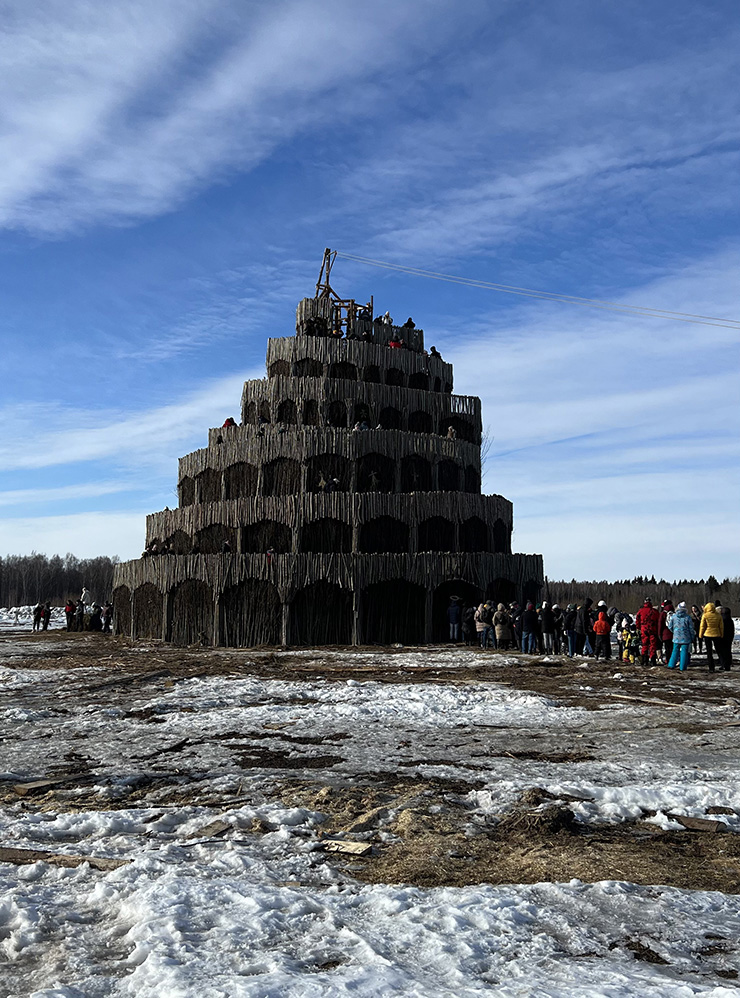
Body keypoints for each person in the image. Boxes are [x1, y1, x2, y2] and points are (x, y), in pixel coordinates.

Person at [667, 602, 694, 672]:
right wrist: (692, 636)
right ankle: (682, 666)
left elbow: (670, 626)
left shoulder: (673, 617)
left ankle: (671, 664)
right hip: (686, 637)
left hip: (676, 636)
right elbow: (691, 628)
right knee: (684, 652)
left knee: (675, 651)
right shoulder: (687, 618)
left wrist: (675, 631)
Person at [699, 602, 724, 672]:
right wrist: (721, 634)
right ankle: (723, 664)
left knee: (709, 652)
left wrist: (700, 635)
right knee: (719, 650)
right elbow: (721, 627)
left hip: (707, 635)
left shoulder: (705, 615)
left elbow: (702, 626)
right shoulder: (718, 615)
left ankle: (711, 667)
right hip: (717, 634)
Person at [635, 598, 660, 665]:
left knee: (644, 645)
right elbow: (658, 621)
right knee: (652, 645)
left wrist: (638, 628)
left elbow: (637, 621)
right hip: (653, 630)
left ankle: (644, 660)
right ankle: (652, 660)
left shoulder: (641, 611)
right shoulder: (655, 611)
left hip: (644, 629)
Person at [715, 603, 734, 671]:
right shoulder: (730, 620)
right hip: (729, 638)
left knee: (722, 651)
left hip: (722, 637)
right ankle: (728, 664)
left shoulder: (722, 619)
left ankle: (723, 664)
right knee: (728, 651)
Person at [658, 600, 675, 664]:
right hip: (673, 633)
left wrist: (659, 634)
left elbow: (660, 624)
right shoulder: (674, 613)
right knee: (672, 648)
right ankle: (673, 660)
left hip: (665, 634)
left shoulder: (663, 613)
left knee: (667, 648)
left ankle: (668, 660)